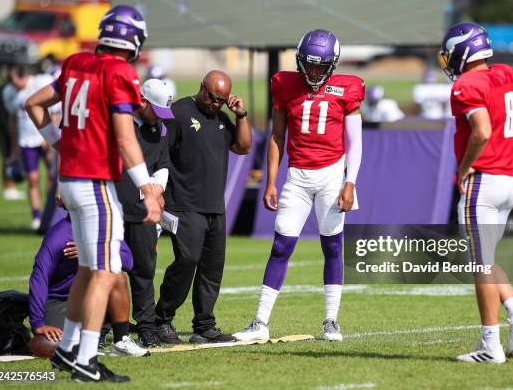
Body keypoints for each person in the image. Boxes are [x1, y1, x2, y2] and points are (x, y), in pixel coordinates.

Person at [25, 5, 162, 382]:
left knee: (88, 269)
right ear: (133, 40)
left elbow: (33, 104)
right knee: (106, 270)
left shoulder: (74, 63)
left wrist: (59, 146)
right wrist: (147, 188)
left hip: (68, 181)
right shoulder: (119, 72)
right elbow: (124, 136)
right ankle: (86, 358)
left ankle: (69, 351)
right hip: (94, 184)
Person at [233, 29, 364, 342]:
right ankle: (260, 322)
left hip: (332, 174)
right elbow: (277, 136)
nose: (315, 72)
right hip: (297, 177)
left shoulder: (348, 87)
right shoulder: (284, 83)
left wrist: (350, 182)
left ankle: (331, 321)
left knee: (332, 246)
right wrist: (270, 181)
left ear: (332, 64)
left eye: (322, 66)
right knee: (281, 246)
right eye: (310, 65)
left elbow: (355, 141)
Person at [439, 22, 513, 363]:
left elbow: (480, 131)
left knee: (480, 265)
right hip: (508, 180)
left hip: (483, 183)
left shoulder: (467, 84)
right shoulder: (508, 74)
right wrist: (506, 158)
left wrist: (465, 167)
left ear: (461, 51)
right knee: (487, 259)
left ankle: (490, 346)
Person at [155, 70, 251, 345]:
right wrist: (157, 192)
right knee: (186, 262)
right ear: (202, 87)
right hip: (183, 204)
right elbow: (161, 153)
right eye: (211, 96)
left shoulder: (221, 117)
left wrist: (240, 115)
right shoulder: (178, 113)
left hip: (214, 206)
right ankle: (162, 320)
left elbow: (243, 147)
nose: (214, 103)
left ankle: (204, 325)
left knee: (212, 267)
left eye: (221, 100)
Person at [28, 214, 149, 357]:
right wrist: (38, 323)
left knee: (117, 277)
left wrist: (93, 253)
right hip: (60, 301)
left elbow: (128, 261)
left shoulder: (106, 226)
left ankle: (121, 341)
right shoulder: (59, 234)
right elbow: (39, 277)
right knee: (55, 345)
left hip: (94, 297)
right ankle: (93, 332)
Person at [115, 78, 172, 347]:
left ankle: (146, 326)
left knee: (144, 270)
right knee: (108, 271)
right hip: (113, 206)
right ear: (143, 102)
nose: (160, 118)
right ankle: (107, 327)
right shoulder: (119, 123)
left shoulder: (160, 129)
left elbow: (162, 164)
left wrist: (156, 190)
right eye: (156, 110)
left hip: (143, 211)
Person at [3, 65, 60, 230]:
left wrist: (51, 138)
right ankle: (36, 216)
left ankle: (51, 214)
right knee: (32, 179)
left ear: (22, 76)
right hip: (26, 141)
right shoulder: (10, 93)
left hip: (45, 139)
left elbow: (54, 112)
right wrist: (14, 146)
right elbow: (13, 121)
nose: (12, 86)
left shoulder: (41, 82)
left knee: (52, 176)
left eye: (14, 81)